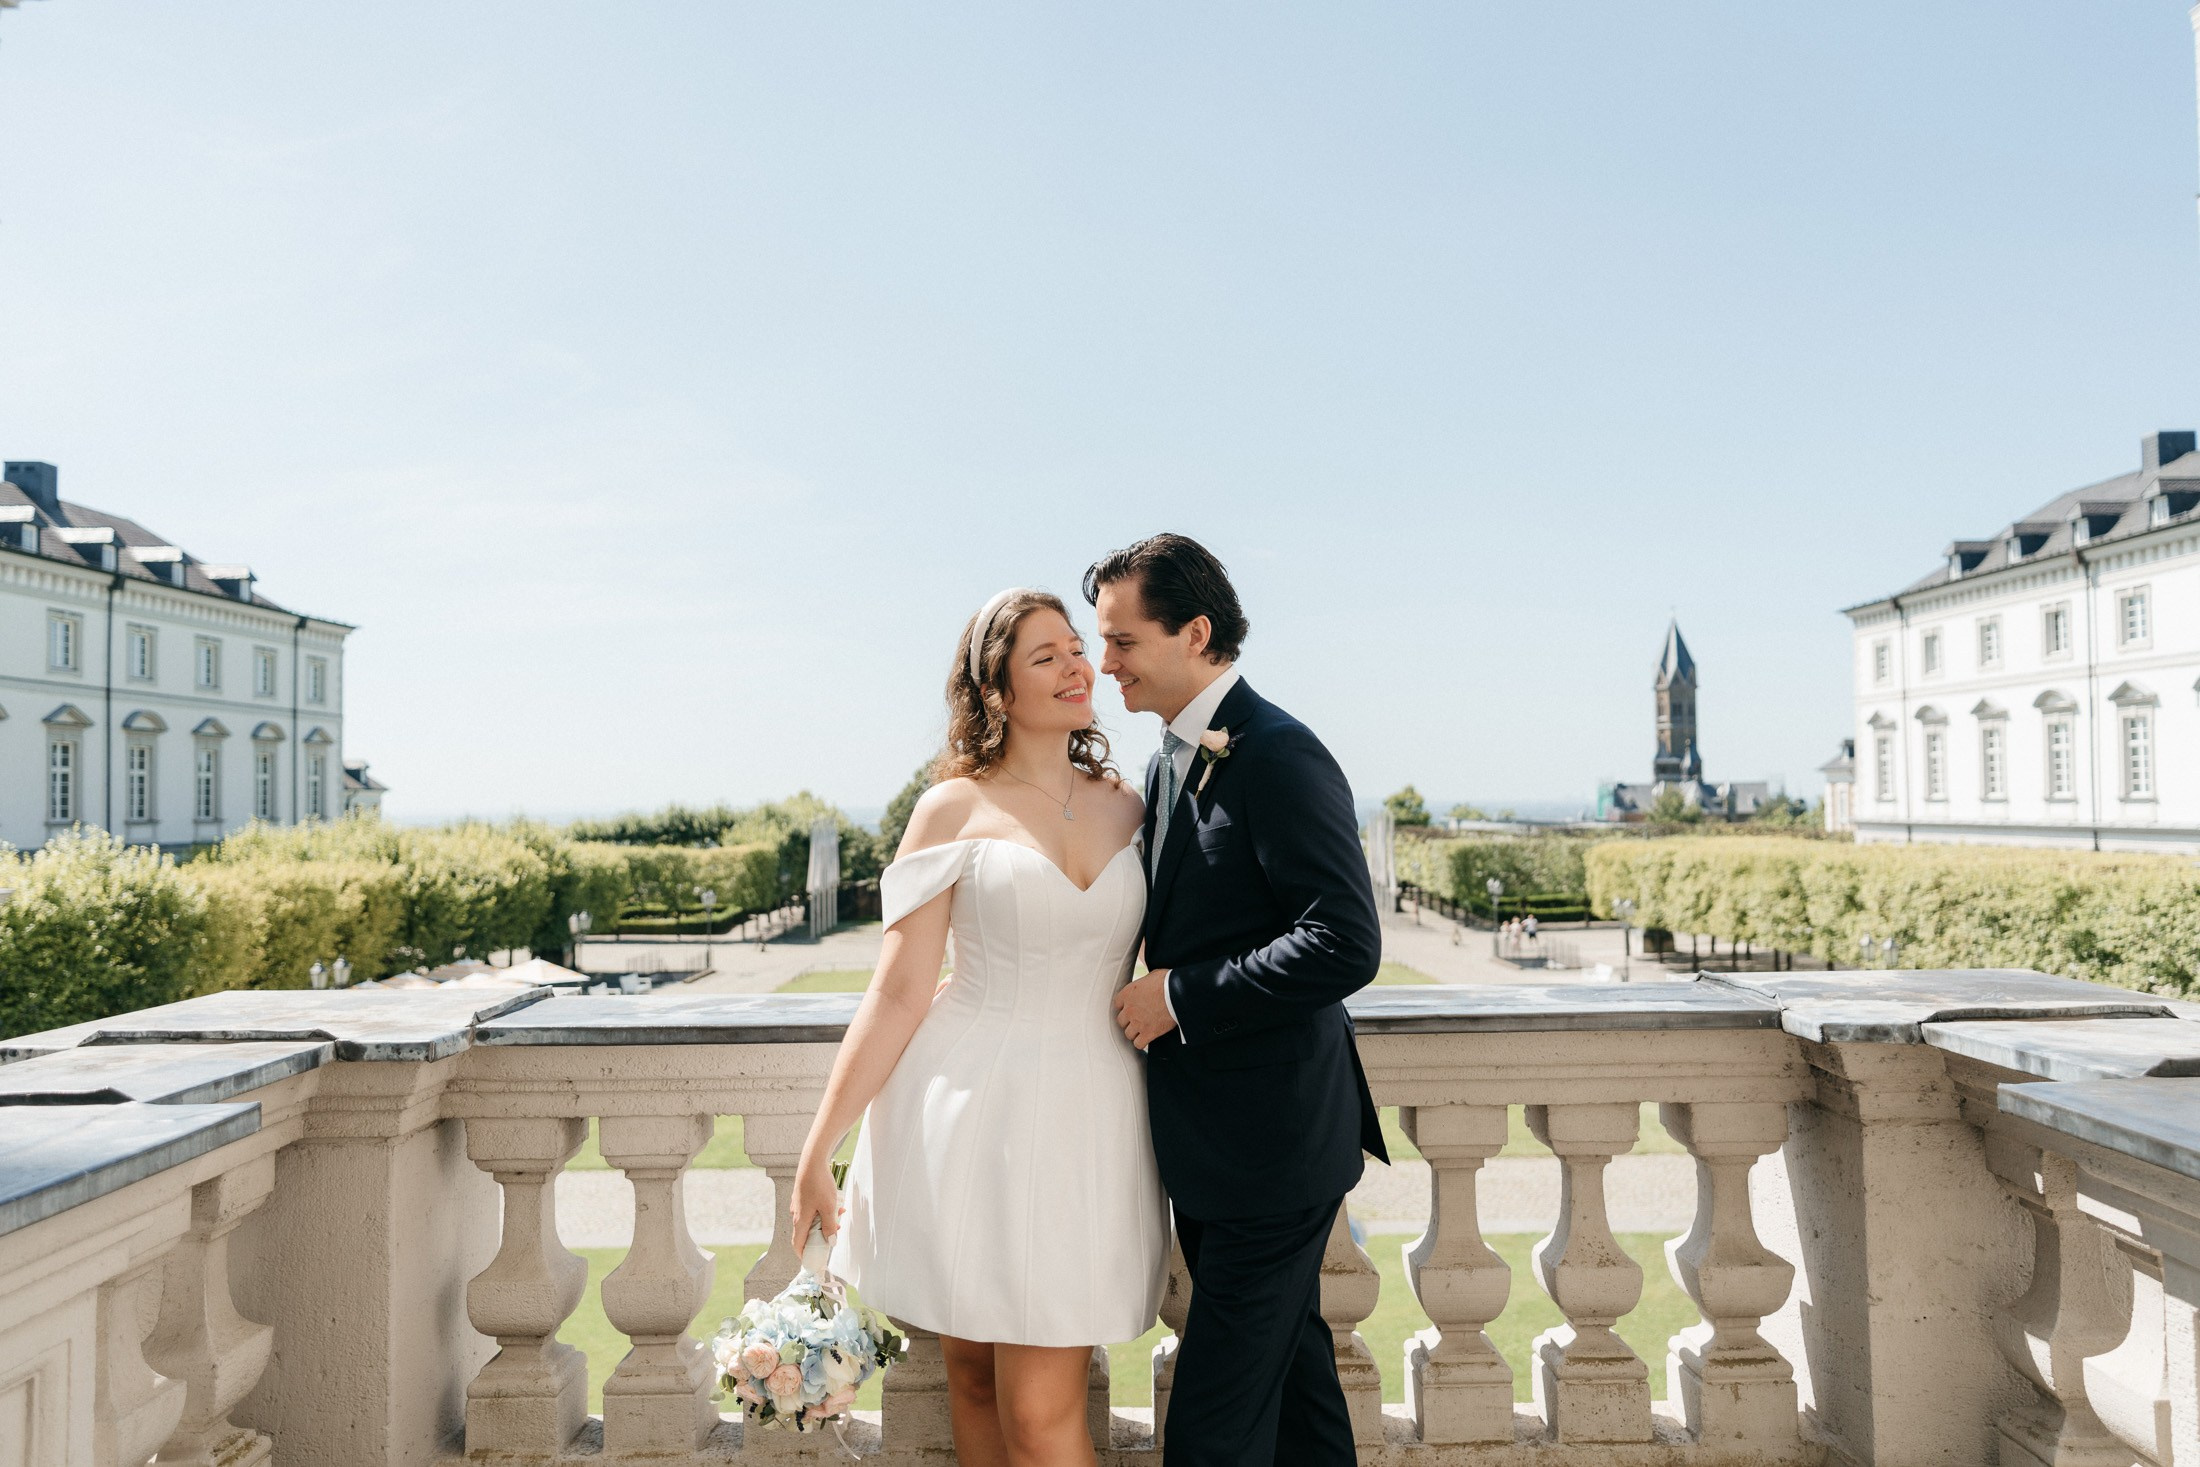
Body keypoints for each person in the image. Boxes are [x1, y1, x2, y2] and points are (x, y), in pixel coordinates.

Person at [790, 587, 1167, 1467]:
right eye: (1047, 656)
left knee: (1041, 1411)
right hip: (960, 1109)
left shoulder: (1131, 806)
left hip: (1092, 1116)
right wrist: (819, 1146)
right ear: (995, 690)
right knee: (970, 1379)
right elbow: (899, 990)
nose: (1080, 666)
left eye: (1078, 648)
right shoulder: (950, 809)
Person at [1090, 534, 1387, 1467]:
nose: (1106, 665)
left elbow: (1345, 939)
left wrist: (1181, 995)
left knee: (1211, 1432)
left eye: (1124, 641)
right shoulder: (1164, 763)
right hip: (1214, 1150)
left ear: (1198, 632)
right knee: (1298, 1400)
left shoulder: (1281, 753)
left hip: (1277, 1153)